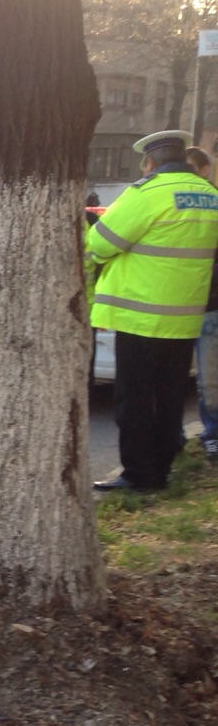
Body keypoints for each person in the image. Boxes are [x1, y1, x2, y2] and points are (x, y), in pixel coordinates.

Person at [88, 130, 218, 492]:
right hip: (186, 318)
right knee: (171, 398)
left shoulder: (147, 194)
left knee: (135, 401)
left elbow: (100, 242)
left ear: (150, 162)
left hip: (141, 318)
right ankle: (161, 470)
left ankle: (138, 475)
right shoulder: (210, 196)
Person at [188, 145, 218, 461]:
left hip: (209, 304)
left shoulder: (212, 203)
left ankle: (213, 435)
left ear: (205, 170)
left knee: (210, 380)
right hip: (180, 304)